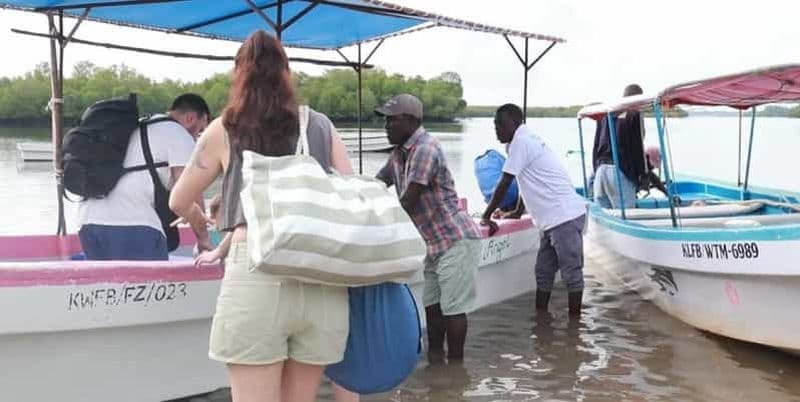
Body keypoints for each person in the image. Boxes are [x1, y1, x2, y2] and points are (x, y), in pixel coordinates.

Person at [169, 30, 357, 402]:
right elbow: (350, 194)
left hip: (256, 270)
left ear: (239, 74)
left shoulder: (225, 127)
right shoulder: (319, 124)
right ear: (286, 72)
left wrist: (202, 220)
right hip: (319, 276)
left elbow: (178, 200)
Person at [374, 93, 482, 363]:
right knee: (432, 306)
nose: (386, 126)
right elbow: (378, 182)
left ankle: (456, 370)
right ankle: (436, 366)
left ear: (411, 121)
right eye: (385, 121)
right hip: (433, 245)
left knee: (452, 309)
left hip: (455, 241)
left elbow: (409, 200)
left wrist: (376, 226)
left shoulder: (425, 148)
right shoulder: (399, 153)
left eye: (391, 121)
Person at [480, 104, 587, 316]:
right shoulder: (519, 143)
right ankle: (542, 323)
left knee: (571, 275)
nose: (496, 129)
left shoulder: (521, 142)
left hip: (564, 216)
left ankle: (575, 327)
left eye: (500, 124)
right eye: (494, 124)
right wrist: (518, 212)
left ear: (514, 123)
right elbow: (525, 179)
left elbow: (504, 182)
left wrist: (486, 214)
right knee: (543, 272)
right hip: (550, 221)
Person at [77, 93, 211, 260]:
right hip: (135, 227)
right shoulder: (179, 134)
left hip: (88, 223)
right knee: (153, 284)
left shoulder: (136, 125)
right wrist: (203, 239)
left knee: (108, 284)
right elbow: (190, 194)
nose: (197, 137)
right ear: (190, 118)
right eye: (200, 131)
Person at [592, 84, 647, 209]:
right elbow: (638, 146)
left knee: (605, 215)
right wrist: (641, 175)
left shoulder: (605, 115)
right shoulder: (634, 115)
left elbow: (596, 146)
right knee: (627, 216)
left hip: (601, 170)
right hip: (620, 171)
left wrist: (596, 170)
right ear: (638, 99)